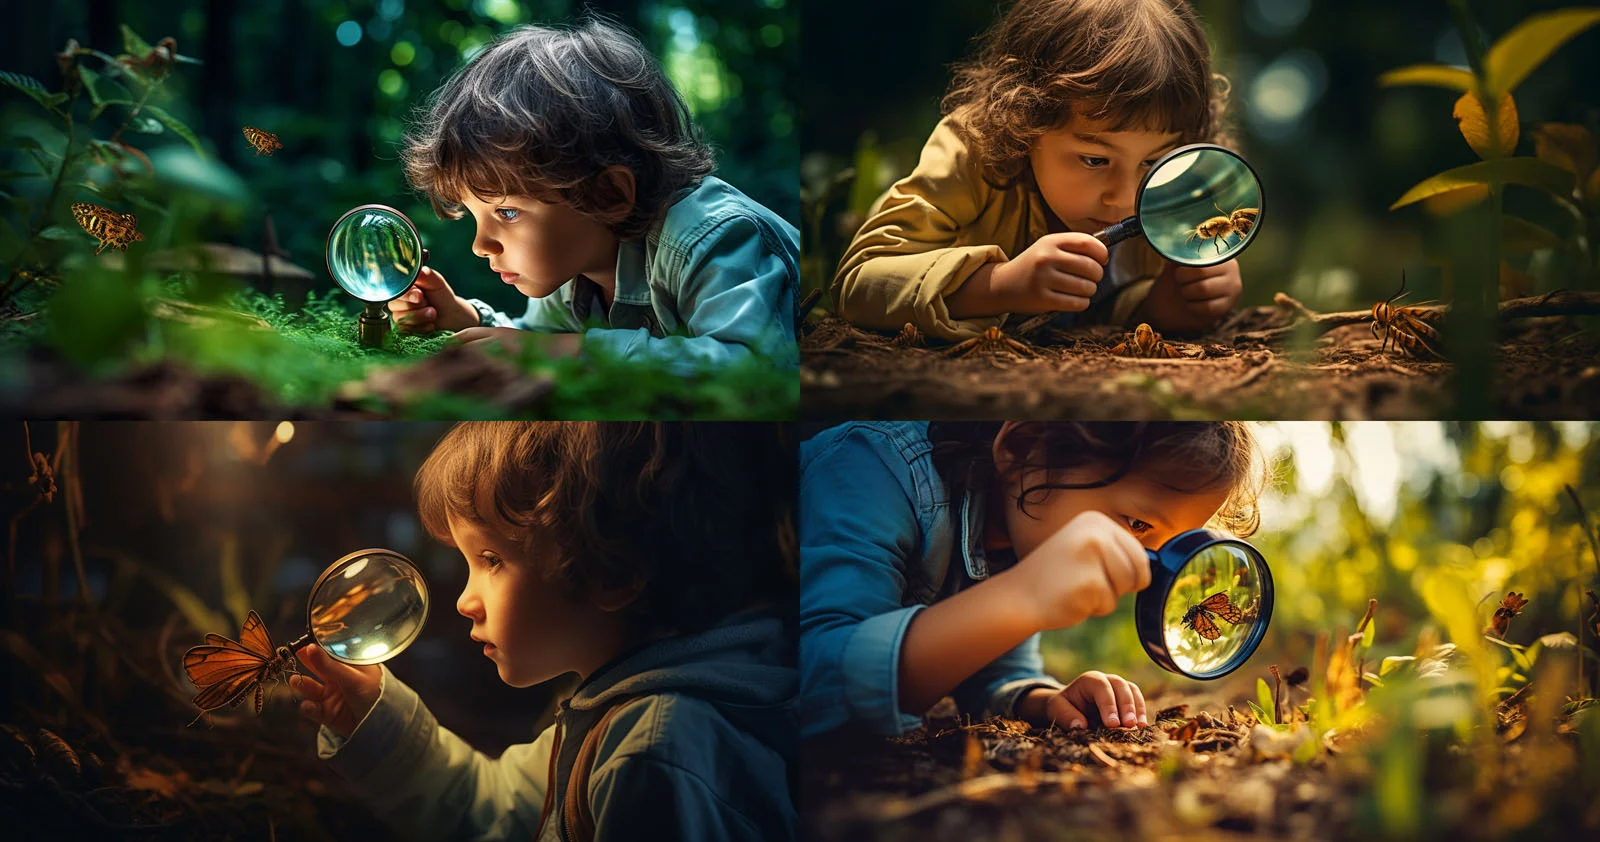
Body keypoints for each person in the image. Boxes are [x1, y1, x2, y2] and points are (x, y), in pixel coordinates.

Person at [293, 422, 798, 841]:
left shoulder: (653, 752)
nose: (465, 601)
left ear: (612, 572)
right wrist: (378, 722)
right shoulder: (618, 707)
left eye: (491, 559)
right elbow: (498, 814)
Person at [799, 421, 1265, 737]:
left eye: (1172, 546)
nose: (1145, 570)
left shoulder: (1024, 531)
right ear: (1022, 450)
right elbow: (811, 683)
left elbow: (996, 674)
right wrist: (1020, 598)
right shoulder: (872, 471)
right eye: (1138, 524)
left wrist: (1042, 699)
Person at [388, 19, 799, 371]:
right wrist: (464, 319)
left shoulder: (711, 237)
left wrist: (571, 353)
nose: (481, 245)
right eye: (475, 214)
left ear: (608, 195)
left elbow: (753, 363)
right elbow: (538, 343)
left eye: (508, 213)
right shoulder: (572, 261)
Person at [832, 0, 1240, 343]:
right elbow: (857, 286)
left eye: (1153, 162)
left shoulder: (1168, 198)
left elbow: (1102, 311)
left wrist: (1166, 303)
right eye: (1094, 160)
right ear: (1024, 123)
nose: (1125, 196)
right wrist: (1001, 284)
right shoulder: (970, 151)